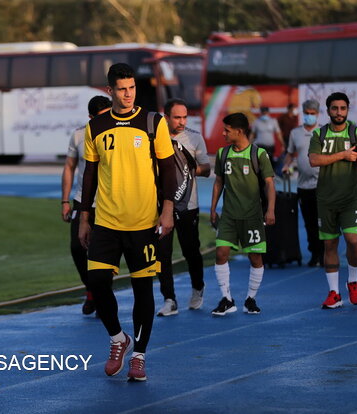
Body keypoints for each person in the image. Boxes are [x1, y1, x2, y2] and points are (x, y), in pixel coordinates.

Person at [78, 63, 176, 381]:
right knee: (96, 283)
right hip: (106, 221)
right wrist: (84, 216)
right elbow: (90, 174)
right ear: (109, 91)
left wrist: (167, 209)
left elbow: (168, 169)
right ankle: (118, 339)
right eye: (122, 89)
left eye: (132, 87)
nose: (128, 93)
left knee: (142, 290)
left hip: (144, 222)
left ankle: (138, 355)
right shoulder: (96, 127)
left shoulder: (153, 122)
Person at [308, 92, 357, 309]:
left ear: (347, 110)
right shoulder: (319, 134)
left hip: (350, 198)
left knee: (353, 241)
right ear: (328, 111)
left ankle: (353, 281)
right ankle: (334, 293)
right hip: (326, 199)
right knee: (330, 244)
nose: (339, 112)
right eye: (334, 108)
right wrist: (342, 155)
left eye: (342, 108)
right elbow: (314, 160)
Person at [210, 113, 276, 316]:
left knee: (255, 258)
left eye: (227, 130)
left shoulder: (258, 154)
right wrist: (213, 209)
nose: (223, 133)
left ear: (239, 131)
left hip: (252, 216)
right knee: (221, 254)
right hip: (229, 216)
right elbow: (219, 181)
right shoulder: (222, 154)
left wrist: (271, 209)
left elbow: (269, 184)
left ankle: (250, 298)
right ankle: (227, 300)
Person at [156, 98, 210, 317]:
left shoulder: (194, 138)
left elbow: (206, 169)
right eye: (177, 117)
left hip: (189, 205)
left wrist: (188, 169)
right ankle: (169, 299)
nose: (181, 121)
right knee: (162, 255)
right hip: (160, 207)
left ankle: (198, 288)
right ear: (166, 116)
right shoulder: (155, 138)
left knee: (191, 251)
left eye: (184, 117)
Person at [61, 95, 111, 315]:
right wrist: (65, 200)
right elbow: (69, 167)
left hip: (109, 202)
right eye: (101, 116)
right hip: (83, 199)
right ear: (91, 118)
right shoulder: (80, 134)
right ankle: (92, 290)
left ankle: (102, 297)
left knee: (103, 253)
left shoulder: (117, 132)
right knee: (76, 247)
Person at [282, 99, 324, 267]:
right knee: (309, 223)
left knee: (322, 222)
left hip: (322, 185)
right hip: (303, 186)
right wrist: (286, 165)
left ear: (317, 114)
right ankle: (314, 253)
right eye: (306, 113)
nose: (309, 116)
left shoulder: (323, 132)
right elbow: (290, 154)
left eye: (312, 114)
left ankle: (323, 253)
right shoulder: (295, 133)